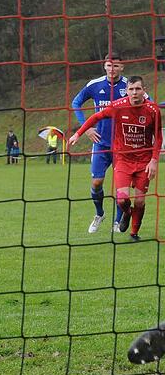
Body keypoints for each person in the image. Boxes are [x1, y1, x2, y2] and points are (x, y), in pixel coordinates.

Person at [68, 76, 161, 241]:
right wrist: (78, 133)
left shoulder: (153, 110)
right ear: (126, 91)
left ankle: (134, 233)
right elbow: (96, 117)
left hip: (143, 161)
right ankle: (126, 212)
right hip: (123, 159)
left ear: (144, 90)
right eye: (131, 89)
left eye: (138, 89)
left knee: (139, 201)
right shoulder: (118, 107)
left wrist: (154, 160)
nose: (134, 92)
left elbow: (158, 137)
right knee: (122, 198)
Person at [71, 52, 129, 233]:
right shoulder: (94, 85)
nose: (113, 69)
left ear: (122, 67)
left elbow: (148, 102)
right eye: (109, 65)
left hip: (123, 145)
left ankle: (118, 222)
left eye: (116, 66)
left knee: (121, 186)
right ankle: (100, 213)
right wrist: (86, 128)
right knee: (97, 182)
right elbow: (76, 102)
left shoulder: (129, 85)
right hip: (101, 144)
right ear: (104, 66)